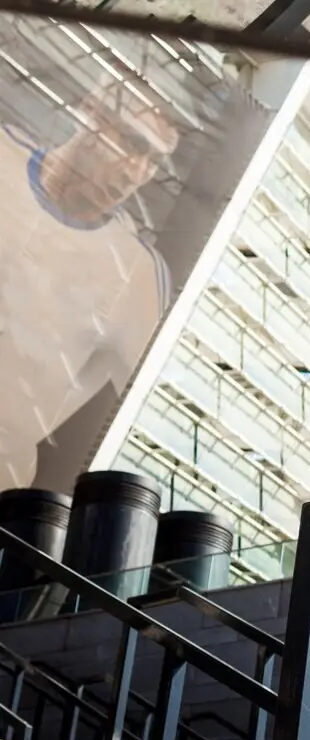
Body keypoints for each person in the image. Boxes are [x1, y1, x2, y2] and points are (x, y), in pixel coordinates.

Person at [0, 66, 177, 492]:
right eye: (131, 143)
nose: (134, 172)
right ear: (91, 109)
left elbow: (122, 422)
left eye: (154, 160)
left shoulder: (139, 278)